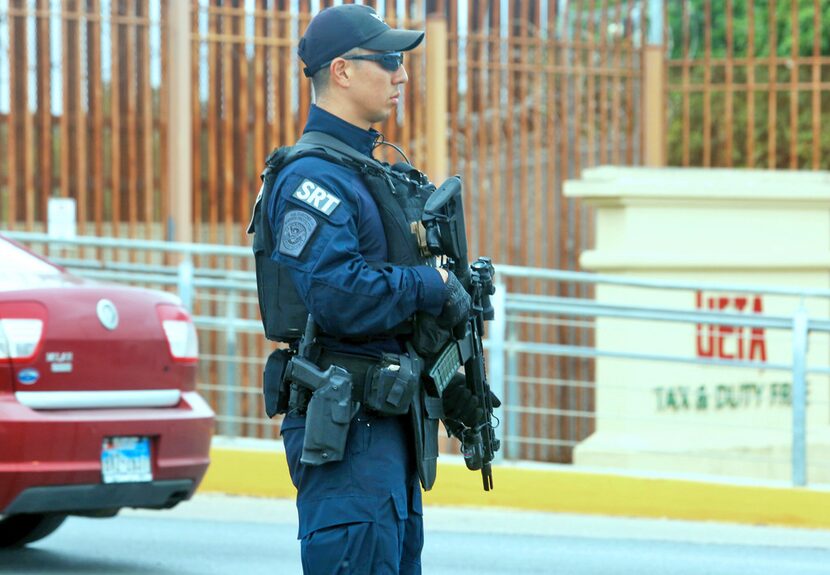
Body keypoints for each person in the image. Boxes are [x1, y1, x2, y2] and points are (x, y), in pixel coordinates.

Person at [252, 4, 483, 574]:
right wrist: (431, 284)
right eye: (388, 60)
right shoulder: (313, 178)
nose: (402, 74)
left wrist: (454, 379)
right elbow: (337, 293)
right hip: (350, 433)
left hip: (387, 430)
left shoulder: (367, 169)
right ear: (342, 71)